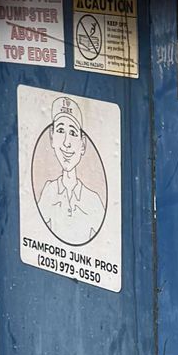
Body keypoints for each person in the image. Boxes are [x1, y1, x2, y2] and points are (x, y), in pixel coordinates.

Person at [35, 96, 104, 246]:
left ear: (83, 144)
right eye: (60, 130)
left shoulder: (93, 200)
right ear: (52, 137)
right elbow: (35, 230)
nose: (66, 143)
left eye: (73, 133)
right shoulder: (49, 191)